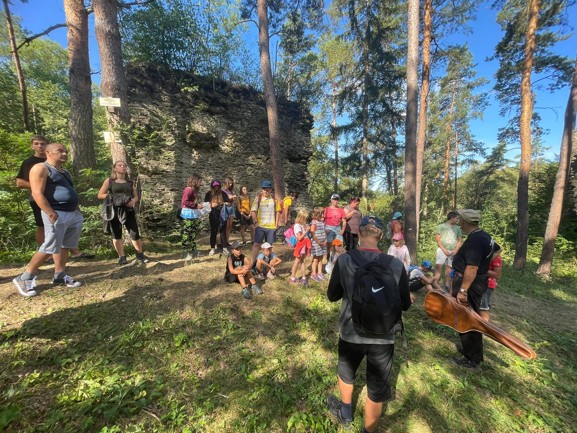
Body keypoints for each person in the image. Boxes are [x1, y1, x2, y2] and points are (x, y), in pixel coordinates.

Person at [326, 215, 411, 433]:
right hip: (384, 334)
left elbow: (332, 295)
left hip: (350, 331)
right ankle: (368, 431)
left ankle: (346, 412)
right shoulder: (395, 264)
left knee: (346, 372)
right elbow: (404, 304)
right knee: (377, 387)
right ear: (381, 235)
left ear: (359, 232)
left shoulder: (345, 260)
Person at [13, 143, 84, 296]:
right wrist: (50, 213)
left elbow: (69, 191)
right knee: (50, 246)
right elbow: (37, 193)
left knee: (65, 244)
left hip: (72, 213)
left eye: (65, 151)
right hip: (55, 212)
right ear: (48, 152)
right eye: (60, 151)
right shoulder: (41, 168)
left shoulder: (65, 172)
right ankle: (25, 277)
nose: (64, 153)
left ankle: (59, 275)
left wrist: (77, 211)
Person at [16, 135, 93, 260]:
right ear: (33, 146)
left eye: (43, 143)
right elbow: (20, 182)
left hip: (65, 206)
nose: (40, 146)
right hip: (42, 201)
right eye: (37, 143)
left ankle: (70, 256)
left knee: (66, 229)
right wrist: (43, 185)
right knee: (42, 226)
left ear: (47, 146)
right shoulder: (31, 163)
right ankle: (46, 256)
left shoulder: (60, 166)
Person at [451, 209, 500, 368]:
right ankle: (469, 351)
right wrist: (484, 263)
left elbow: (471, 268)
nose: (459, 223)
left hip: (470, 284)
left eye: (460, 221)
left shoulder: (475, 240)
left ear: (465, 222)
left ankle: (473, 358)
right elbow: (498, 250)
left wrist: (463, 290)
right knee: (466, 317)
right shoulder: (485, 236)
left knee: (467, 319)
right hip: (476, 281)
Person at [97, 161, 149, 265]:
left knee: (134, 233)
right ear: (114, 168)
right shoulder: (110, 181)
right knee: (116, 234)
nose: (123, 167)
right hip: (114, 210)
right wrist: (115, 198)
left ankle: (140, 255)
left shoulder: (130, 182)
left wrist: (133, 201)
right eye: (120, 165)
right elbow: (100, 195)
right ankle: (122, 257)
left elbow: (135, 196)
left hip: (128, 210)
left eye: (124, 165)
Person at [250, 180, 279, 265]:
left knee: (268, 248)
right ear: (262, 189)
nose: (266, 191)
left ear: (270, 189)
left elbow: (278, 211)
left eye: (268, 189)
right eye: (264, 189)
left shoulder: (274, 200)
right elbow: (253, 211)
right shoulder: (258, 198)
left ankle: (268, 267)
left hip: (271, 227)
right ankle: (252, 264)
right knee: (256, 245)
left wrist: (276, 224)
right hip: (260, 226)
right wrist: (256, 223)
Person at [433, 211, 463, 293]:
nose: (457, 220)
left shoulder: (457, 228)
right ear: (452, 218)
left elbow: (460, 240)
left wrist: (455, 250)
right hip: (442, 250)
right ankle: (434, 284)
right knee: (438, 266)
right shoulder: (441, 227)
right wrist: (444, 250)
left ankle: (447, 286)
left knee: (449, 268)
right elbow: (438, 239)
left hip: (453, 251)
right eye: (457, 218)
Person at [179, 175, 204, 261]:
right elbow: (185, 202)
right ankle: (184, 252)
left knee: (193, 232)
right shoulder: (188, 190)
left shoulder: (193, 191)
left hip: (193, 214)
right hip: (187, 214)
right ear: (195, 181)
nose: (201, 183)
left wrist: (198, 206)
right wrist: (196, 205)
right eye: (200, 181)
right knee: (187, 232)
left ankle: (193, 250)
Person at [204, 180, 231, 255]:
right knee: (213, 231)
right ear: (212, 186)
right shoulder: (209, 194)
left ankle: (224, 247)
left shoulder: (223, 193)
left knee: (223, 231)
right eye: (214, 186)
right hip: (213, 214)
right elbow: (205, 204)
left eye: (217, 186)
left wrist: (225, 203)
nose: (216, 187)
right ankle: (212, 248)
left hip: (222, 214)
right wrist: (211, 204)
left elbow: (229, 202)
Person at [479, 246, 502, 321]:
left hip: (487, 284)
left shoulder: (496, 258)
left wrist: (480, 268)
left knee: (483, 308)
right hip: (478, 282)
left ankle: (484, 328)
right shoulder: (483, 254)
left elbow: (497, 275)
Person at [289, 210, 311, 285]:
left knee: (303, 261)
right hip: (300, 245)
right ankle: (292, 278)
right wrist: (306, 231)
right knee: (297, 261)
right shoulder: (297, 226)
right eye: (305, 218)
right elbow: (299, 238)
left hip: (304, 245)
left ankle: (304, 277)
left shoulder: (302, 225)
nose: (306, 220)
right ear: (301, 217)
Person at [324, 193, 347, 261]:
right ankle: (328, 260)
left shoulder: (341, 210)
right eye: (334, 199)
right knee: (329, 246)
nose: (336, 201)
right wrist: (325, 229)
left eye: (337, 200)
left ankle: (337, 262)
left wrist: (342, 230)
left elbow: (344, 221)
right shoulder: (327, 209)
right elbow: (322, 220)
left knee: (339, 246)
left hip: (337, 229)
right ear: (331, 200)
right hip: (329, 228)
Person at [310, 207, 328, 282]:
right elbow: (313, 234)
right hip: (316, 244)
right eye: (322, 214)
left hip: (323, 243)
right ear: (317, 214)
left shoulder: (323, 222)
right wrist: (319, 242)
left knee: (321, 258)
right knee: (315, 259)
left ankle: (320, 272)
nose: (324, 215)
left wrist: (325, 241)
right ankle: (313, 273)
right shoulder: (314, 222)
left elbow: (324, 232)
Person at [221, 177, 237, 243]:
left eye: (231, 184)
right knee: (226, 225)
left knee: (230, 226)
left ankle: (227, 240)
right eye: (229, 183)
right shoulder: (222, 190)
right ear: (226, 182)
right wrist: (231, 197)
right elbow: (221, 200)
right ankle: (223, 241)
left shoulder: (229, 191)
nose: (230, 185)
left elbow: (231, 199)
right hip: (225, 208)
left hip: (231, 207)